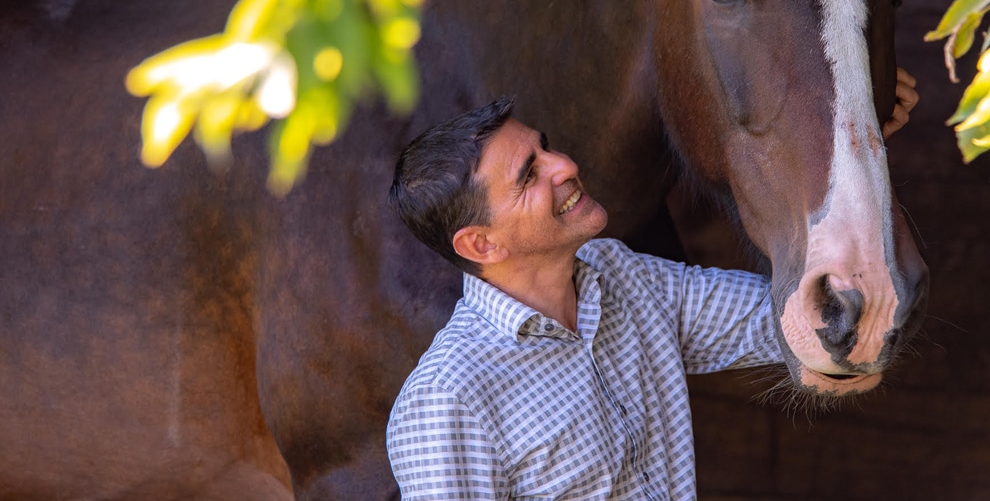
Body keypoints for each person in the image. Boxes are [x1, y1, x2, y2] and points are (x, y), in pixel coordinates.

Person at [386, 71, 918, 498]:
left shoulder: (620, 276)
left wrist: (852, 148)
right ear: (481, 246)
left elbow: (801, 317)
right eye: (529, 174)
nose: (565, 165)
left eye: (544, 147)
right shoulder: (446, 400)